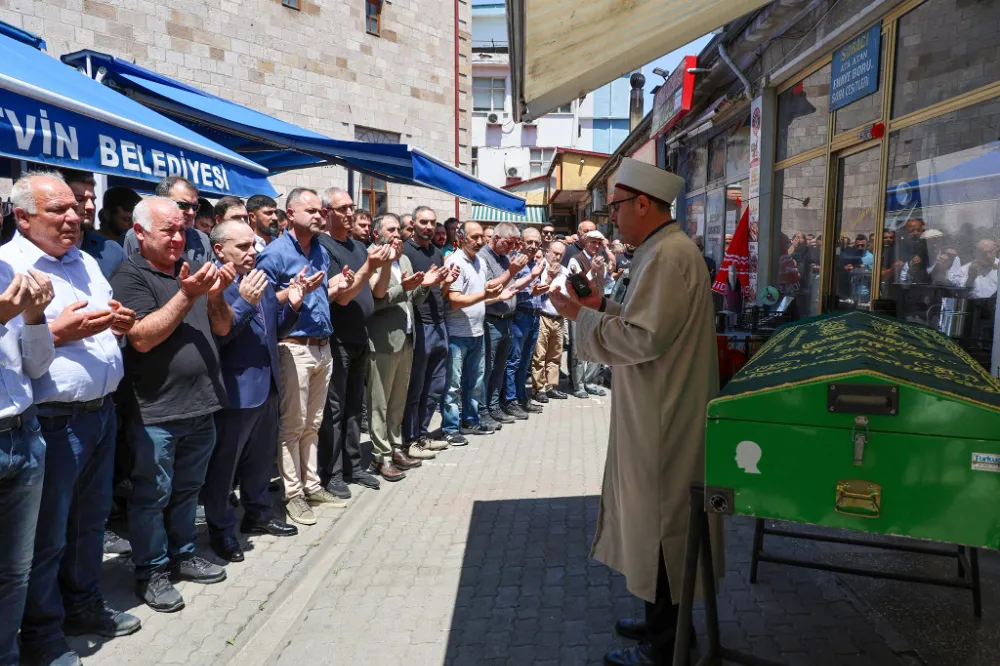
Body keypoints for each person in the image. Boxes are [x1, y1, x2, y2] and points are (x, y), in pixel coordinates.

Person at [548, 158, 720, 666]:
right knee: (653, 525)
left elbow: (645, 338)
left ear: (644, 203)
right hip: (656, 409)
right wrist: (601, 308)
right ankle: (659, 624)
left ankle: (668, 648)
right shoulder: (661, 250)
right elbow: (645, 322)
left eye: (617, 206)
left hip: (665, 419)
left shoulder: (667, 256)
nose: (612, 217)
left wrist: (583, 316)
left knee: (663, 526)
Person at [0, 173, 141, 666]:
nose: (74, 217)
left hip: (100, 412)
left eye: (75, 209)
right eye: (57, 210)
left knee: (91, 525)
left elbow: (103, 318)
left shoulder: (82, 260)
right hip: (52, 420)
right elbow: (12, 356)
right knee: (46, 538)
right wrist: (56, 331)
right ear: (23, 217)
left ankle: (84, 605)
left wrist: (117, 321)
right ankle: (43, 634)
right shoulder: (11, 267)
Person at [110, 196, 236, 613]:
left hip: (201, 405)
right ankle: (151, 571)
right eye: (169, 230)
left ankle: (183, 554)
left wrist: (214, 295)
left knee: (187, 490)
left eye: (182, 229)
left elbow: (221, 326)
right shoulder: (129, 276)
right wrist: (186, 295)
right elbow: (142, 337)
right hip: (155, 412)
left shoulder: (191, 273)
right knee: (152, 495)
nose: (179, 238)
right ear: (140, 233)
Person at [203, 221, 304, 563]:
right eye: (243, 247)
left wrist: (293, 305)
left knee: (261, 461)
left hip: (267, 384)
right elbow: (221, 336)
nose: (253, 252)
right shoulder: (215, 285)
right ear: (220, 250)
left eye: (253, 245)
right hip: (236, 390)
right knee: (224, 467)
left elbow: (273, 329)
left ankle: (258, 512)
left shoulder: (259, 276)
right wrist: (245, 303)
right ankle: (221, 530)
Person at [255, 188, 347, 526]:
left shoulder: (320, 251)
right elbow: (260, 302)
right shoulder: (275, 254)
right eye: (311, 211)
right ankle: (292, 495)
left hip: (322, 345)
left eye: (320, 211)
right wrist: (293, 292)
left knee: (314, 424)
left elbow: (320, 296)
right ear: (289, 214)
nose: (319, 216)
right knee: (292, 426)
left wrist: (332, 287)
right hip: (293, 346)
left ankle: (312, 485)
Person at [316, 189, 393, 499]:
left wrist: (385, 263)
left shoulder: (359, 246)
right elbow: (344, 295)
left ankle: (352, 466)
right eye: (343, 208)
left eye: (351, 207)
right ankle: (331, 473)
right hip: (338, 339)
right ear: (328, 213)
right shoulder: (324, 247)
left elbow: (376, 292)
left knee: (353, 408)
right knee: (333, 411)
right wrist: (370, 266)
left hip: (361, 336)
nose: (350, 212)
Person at [0, 260, 55, 666]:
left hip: (23, 433)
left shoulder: (9, 273)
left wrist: (34, 319)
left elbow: (34, 367)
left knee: (15, 570)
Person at [367, 214, 446, 481]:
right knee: (380, 402)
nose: (397, 234)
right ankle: (381, 455)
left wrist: (427, 285)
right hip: (383, 340)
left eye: (398, 230)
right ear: (377, 234)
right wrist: (404, 288)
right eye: (391, 230)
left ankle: (397, 447)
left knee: (398, 400)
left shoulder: (404, 259)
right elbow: (378, 300)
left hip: (407, 338)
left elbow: (413, 297)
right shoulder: (371, 259)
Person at [402, 206, 459, 458]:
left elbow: (439, 291)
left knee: (435, 386)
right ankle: (410, 439)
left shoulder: (436, 252)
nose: (428, 226)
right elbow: (406, 292)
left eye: (432, 222)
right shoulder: (404, 251)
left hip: (440, 324)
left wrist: (446, 282)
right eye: (423, 222)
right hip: (420, 326)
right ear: (413, 223)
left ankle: (423, 435)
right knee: (416, 388)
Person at [441, 222, 504, 445]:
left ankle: (470, 420)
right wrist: (485, 295)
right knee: (453, 385)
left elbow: (483, 294)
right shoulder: (454, 262)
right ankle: (450, 428)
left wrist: (501, 293)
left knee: (475, 382)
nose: (479, 241)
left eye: (481, 238)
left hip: (477, 331)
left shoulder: (479, 261)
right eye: (474, 237)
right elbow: (455, 300)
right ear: (460, 238)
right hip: (457, 333)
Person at [479, 223, 529, 427]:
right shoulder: (484, 257)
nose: (511, 248)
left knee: (500, 367)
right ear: (497, 237)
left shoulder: (503, 258)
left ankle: (494, 406)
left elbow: (511, 284)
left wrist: (531, 277)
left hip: (506, 320)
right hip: (491, 320)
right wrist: (512, 271)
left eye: (514, 244)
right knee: (487, 369)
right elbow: (491, 286)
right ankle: (482, 410)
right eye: (509, 243)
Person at [503, 227, 548, 415]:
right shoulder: (515, 262)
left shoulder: (533, 264)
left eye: (536, 243)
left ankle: (522, 397)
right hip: (519, 316)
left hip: (535, 315)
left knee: (525, 362)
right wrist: (532, 291)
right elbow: (509, 292)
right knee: (514, 360)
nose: (533, 246)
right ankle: (510, 400)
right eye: (529, 242)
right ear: (521, 242)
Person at [123, 177, 213, 265]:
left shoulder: (203, 240)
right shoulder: (137, 235)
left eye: (195, 207)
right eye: (183, 205)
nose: (191, 212)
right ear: (161, 201)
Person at [62, 170, 126, 280]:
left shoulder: (112, 250)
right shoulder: (44, 250)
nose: (90, 206)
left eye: (93, 200)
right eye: (79, 199)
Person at [568, 230, 609, 399]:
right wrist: (592, 271)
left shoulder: (601, 261)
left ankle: (590, 382)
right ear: (585, 242)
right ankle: (578, 385)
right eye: (593, 242)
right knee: (578, 348)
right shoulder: (575, 260)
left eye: (599, 243)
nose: (596, 246)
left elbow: (604, 285)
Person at [531, 241, 568, 402]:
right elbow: (534, 293)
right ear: (547, 251)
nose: (557, 257)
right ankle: (538, 388)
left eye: (561, 254)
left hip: (558, 318)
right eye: (555, 253)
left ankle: (551, 386)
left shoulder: (565, 271)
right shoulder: (539, 268)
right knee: (539, 355)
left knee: (555, 355)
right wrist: (549, 277)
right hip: (542, 316)